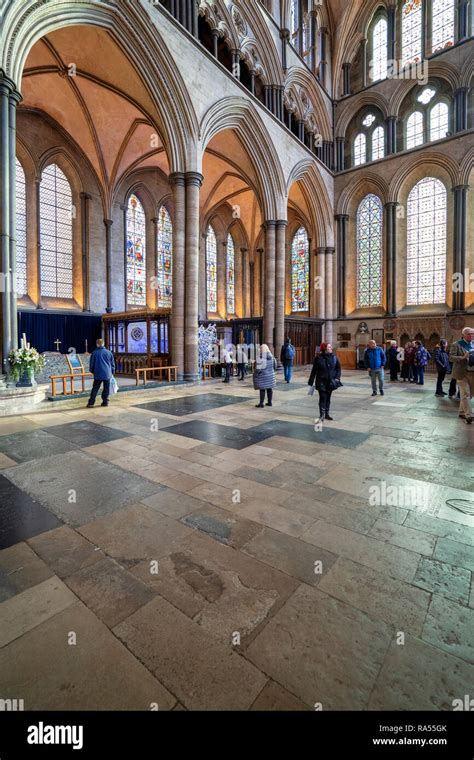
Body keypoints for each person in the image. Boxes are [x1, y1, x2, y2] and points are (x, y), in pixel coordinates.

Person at [308, 343, 341, 422]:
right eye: (329, 347)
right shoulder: (318, 358)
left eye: (330, 347)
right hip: (321, 381)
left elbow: (338, 369)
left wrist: (337, 378)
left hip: (331, 382)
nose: (331, 348)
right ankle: (322, 415)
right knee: (323, 398)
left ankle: (327, 414)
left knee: (328, 398)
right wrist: (311, 382)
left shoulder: (334, 357)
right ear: (325, 349)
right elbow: (314, 370)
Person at [449, 327, 474, 424]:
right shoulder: (457, 344)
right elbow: (451, 358)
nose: (472, 336)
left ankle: (461, 411)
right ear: (463, 334)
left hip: (472, 372)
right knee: (465, 393)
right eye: (469, 334)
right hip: (461, 373)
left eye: (473, 334)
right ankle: (469, 415)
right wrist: (463, 357)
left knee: (469, 394)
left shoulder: (473, 344)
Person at [87, 338, 115, 408]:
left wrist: (93, 371)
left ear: (97, 344)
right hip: (107, 373)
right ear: (103, 344)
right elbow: (112, 364)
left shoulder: (94, 353)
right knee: (106, 389)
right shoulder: (109, 352)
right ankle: (105, 402)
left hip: (98, 373)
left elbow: (92, 364)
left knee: (95, 388)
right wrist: (112, 372)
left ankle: (91, 403)